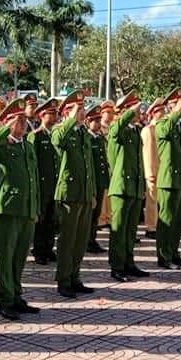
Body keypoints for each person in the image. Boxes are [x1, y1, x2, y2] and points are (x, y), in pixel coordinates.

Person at [0, 98, 41, 320]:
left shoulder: (28, 145)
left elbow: (34, 179)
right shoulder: (2, 145)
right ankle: (5, 300)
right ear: (7, 123)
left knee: (20, 257)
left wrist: (36, 207)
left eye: (25, 119)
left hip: (26, 210)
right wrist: (4, 128)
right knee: (6, 258)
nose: (24, 123)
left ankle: (16, 295)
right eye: (19, 120)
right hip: (6, 209)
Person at [52, 90, 96, 298]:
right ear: (67, 112)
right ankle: (63, 280)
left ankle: (75, 277)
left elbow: (90, 166)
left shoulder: (83, 133)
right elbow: (57, 141)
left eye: (83, 108)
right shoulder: (62, 130)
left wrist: (92, 192)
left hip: (84, 193)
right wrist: (69, 120)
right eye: (78, 109)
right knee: (67, 240)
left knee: (80, 240)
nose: (82, 112)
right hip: (69, 193)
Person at [105, 92, 149, 280]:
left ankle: (129, 262)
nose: (140, 113)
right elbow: (115, 130)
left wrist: (143, 184)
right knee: (119, 229)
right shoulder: (118, 128)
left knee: (131, 230)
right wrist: (129, 113)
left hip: (134, 186)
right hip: (121, 187)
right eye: (136, 110)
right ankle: (117, 266)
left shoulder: (134, 131)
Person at [155, 88, 181, 269]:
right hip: (168, 180)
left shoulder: (178, 125)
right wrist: (175, 112)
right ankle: (164, 256)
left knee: (177, 220)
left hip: (179, 180)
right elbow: (165, 131)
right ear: (170, 106)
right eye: (179, 104)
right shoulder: (162, 124)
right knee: (167, 220)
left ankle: (174, 252)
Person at [29, 98, 60, 265]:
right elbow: (33, 163)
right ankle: (39, 250)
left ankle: (49, 248)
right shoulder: (36, 136)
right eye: (51, 113)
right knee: (40, 220)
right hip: (41, 185)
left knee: (51, 218)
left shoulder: (54, 134)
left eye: (56, 113)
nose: (55, 116)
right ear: (42, 115)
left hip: (53, 183)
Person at [86, 104, 110, 254]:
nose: (97, 123)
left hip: (100, 181)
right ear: (88, 121)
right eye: (95, 120)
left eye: (99, 120)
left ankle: (92, 240)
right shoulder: (87, 138)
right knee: (90, 214)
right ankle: (87, 241)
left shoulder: (99, 137)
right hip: (91, 182)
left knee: (96, 214)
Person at [141, 100, 162, 239]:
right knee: (152, 201)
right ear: (154, 113)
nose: (164, 114)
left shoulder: (161, 128)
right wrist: (150, 173)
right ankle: (151, 227)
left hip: (161, 170)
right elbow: (147, 153)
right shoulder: (149, 130)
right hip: (153, 171)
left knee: (158, 201)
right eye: (161, 111)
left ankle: (157, 225)